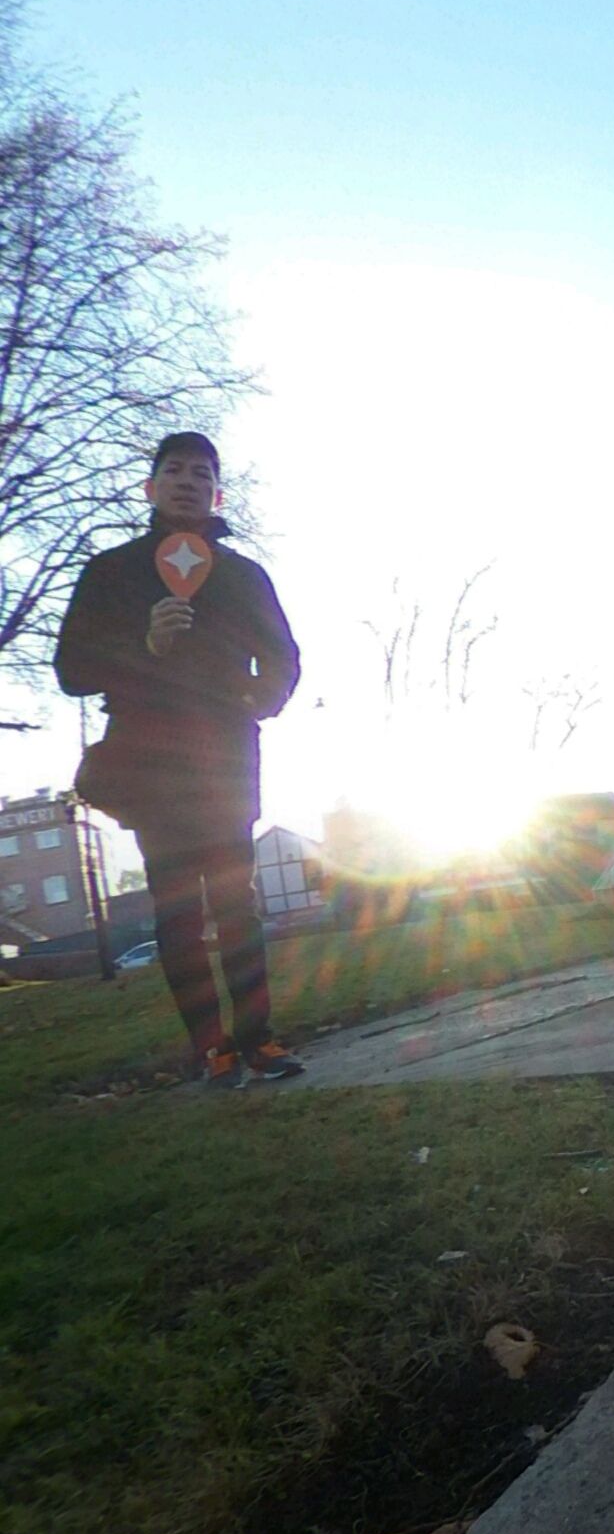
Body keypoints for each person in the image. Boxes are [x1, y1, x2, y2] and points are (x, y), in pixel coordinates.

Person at [53, 432, 305, 1085]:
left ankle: (260, 1041)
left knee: (235, 907)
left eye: (201, 472)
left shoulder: (243, 575)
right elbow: (71, 670)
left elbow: (284, 657)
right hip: (150, 763)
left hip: (224, 760)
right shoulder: (110, 572)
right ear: (151, 488)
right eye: (174, 470)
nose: (188, 480)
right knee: (177, 912)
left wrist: (260, 699)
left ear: (216, 492)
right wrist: (144, 644)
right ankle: (212, 1048)